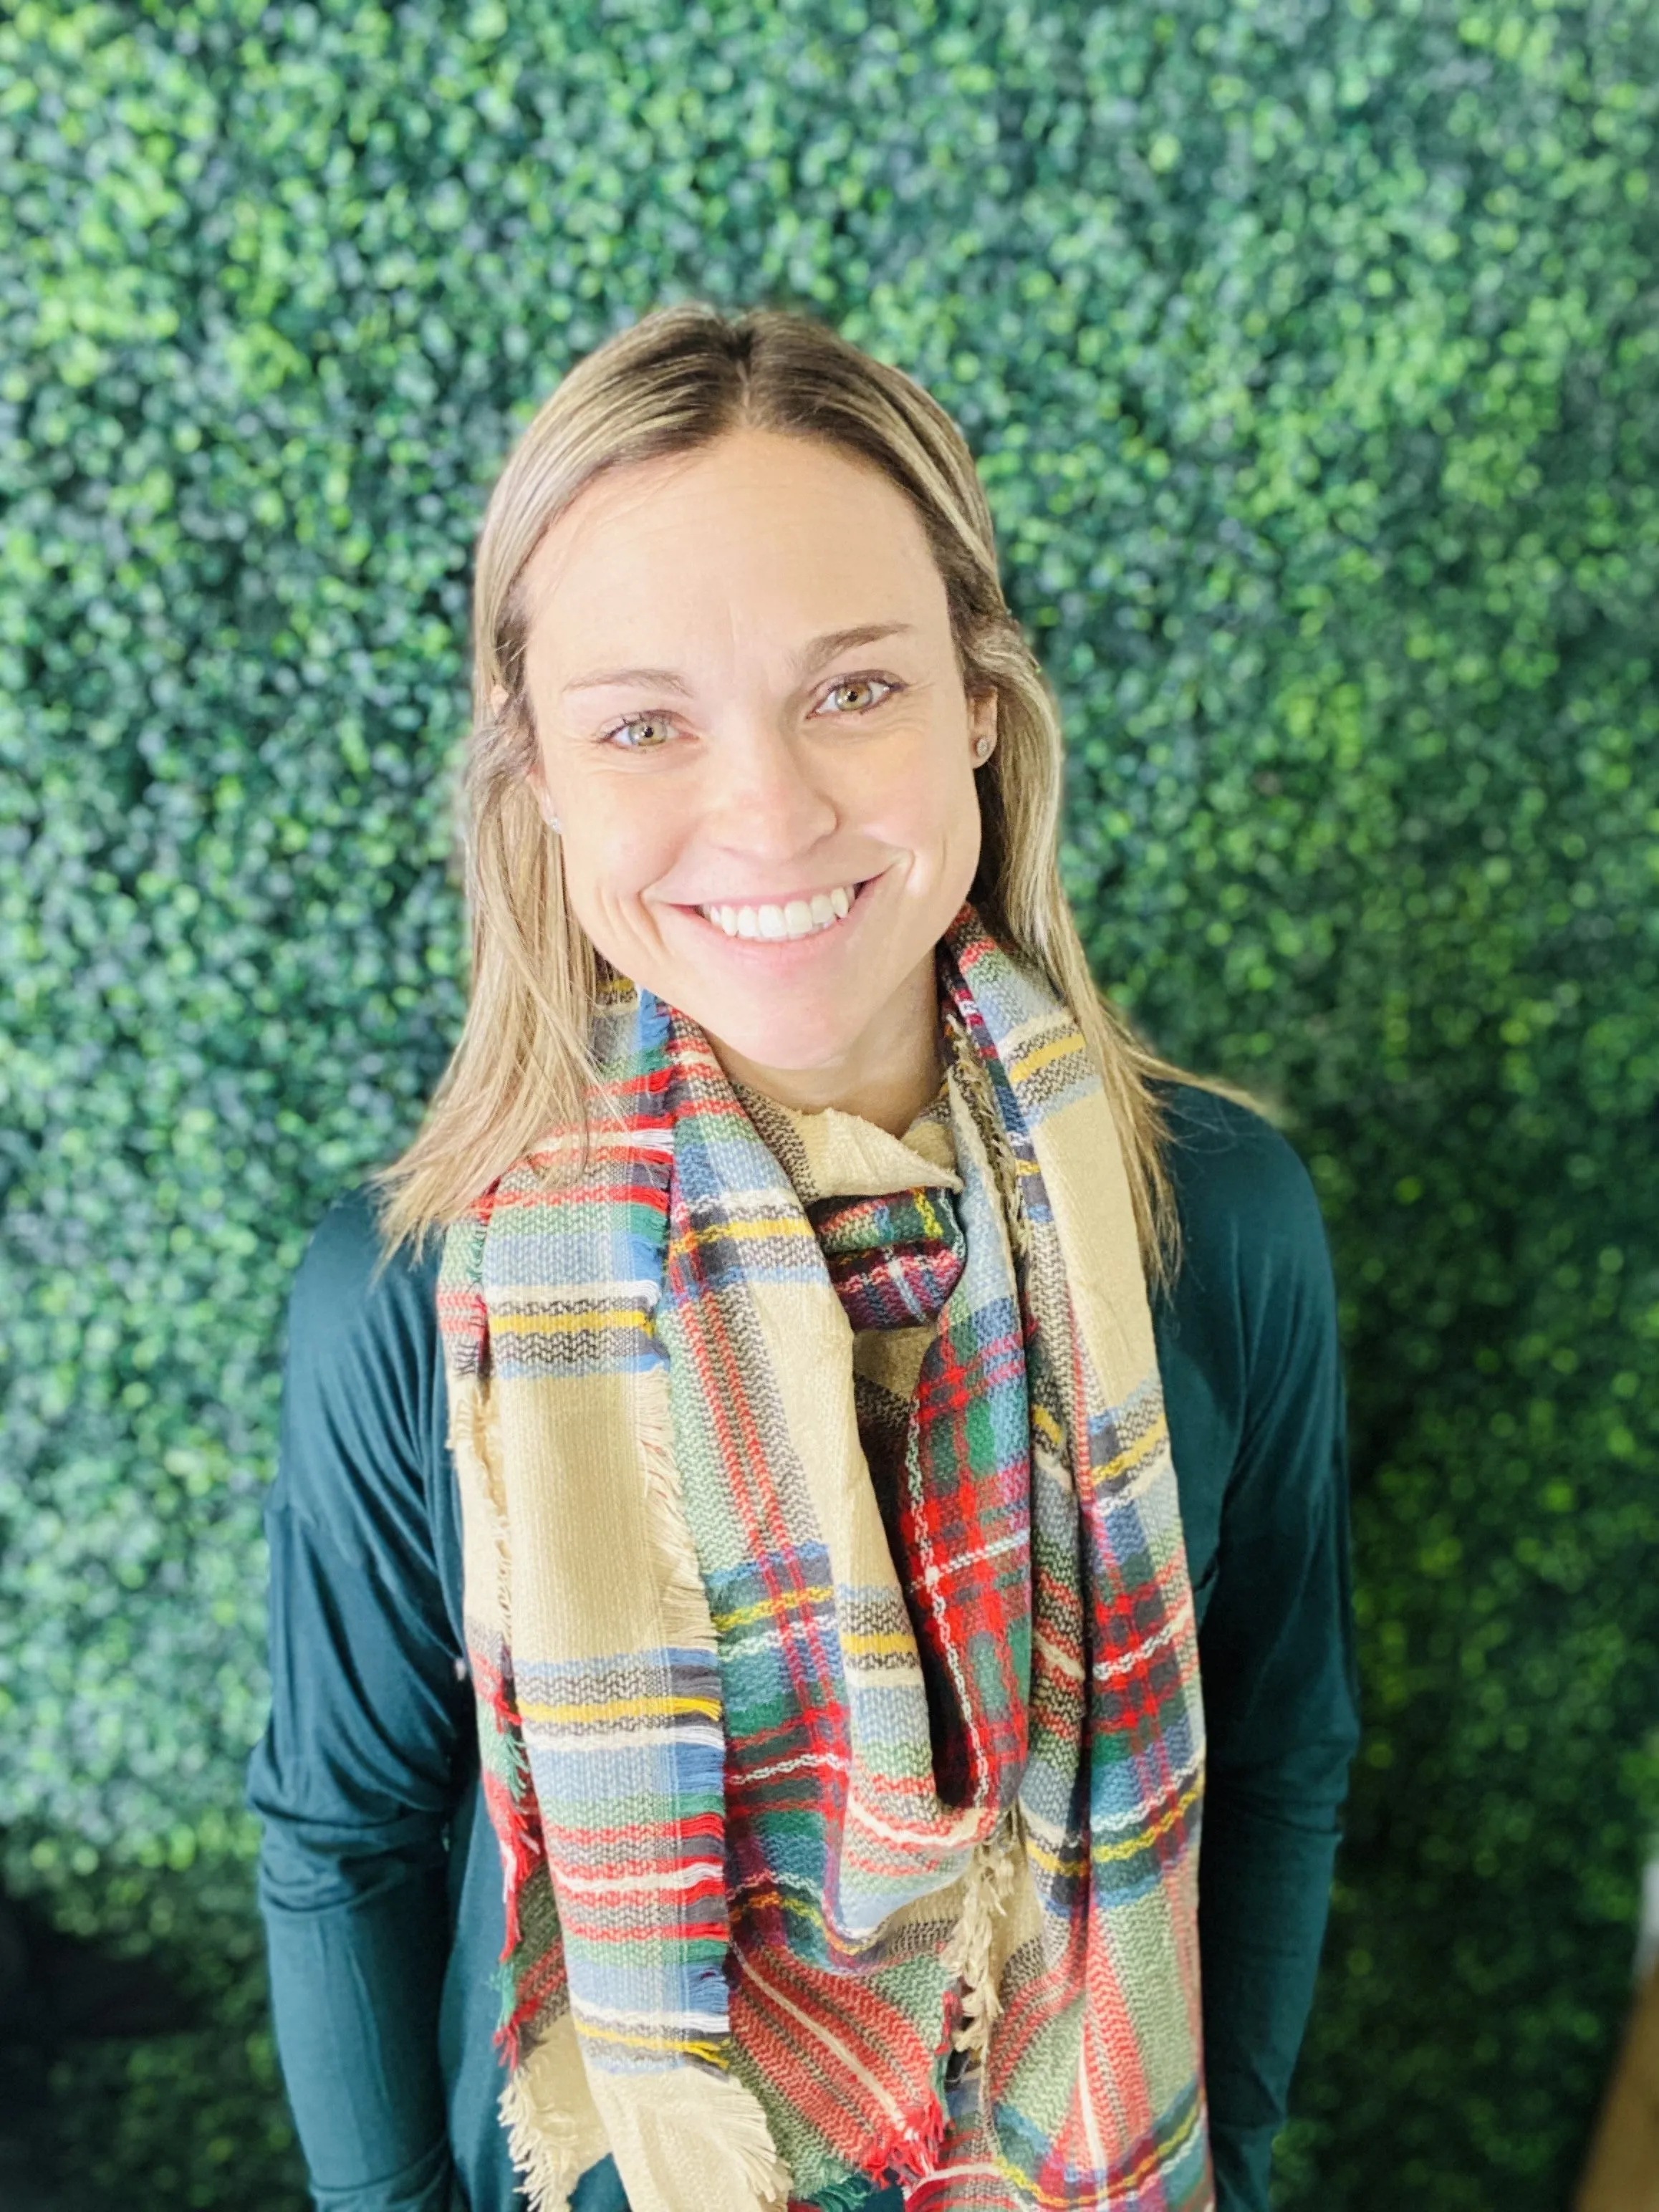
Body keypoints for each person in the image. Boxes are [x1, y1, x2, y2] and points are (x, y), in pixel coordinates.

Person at [245, 300, 1360, 2212]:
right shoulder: (407, 1297)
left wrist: (1228, 2160)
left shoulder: (1217, 1216)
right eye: (645, 724)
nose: (765, 811)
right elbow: (344, 1844)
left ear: (979, 706)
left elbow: (1278, 1748)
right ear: (538, 775)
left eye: (852, 690)